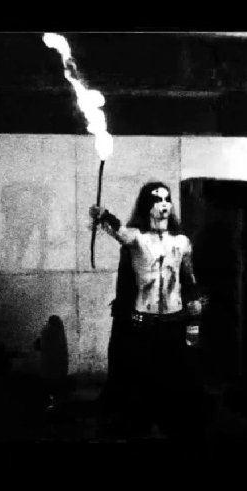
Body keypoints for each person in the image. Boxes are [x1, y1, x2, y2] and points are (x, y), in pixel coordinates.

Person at [90, 182, 206, 437]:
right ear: (147, 205)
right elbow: (119, 231)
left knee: (173, 380)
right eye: (157, 199)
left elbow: (189, 277)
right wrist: (104, 215)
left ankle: (170, 428)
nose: (164, 204)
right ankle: (140, 428)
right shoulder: (137, 238)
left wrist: (194, 302)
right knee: (142, 381)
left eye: (167, 199)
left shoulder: (182, 242)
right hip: (143, 323)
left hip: (174, 321)